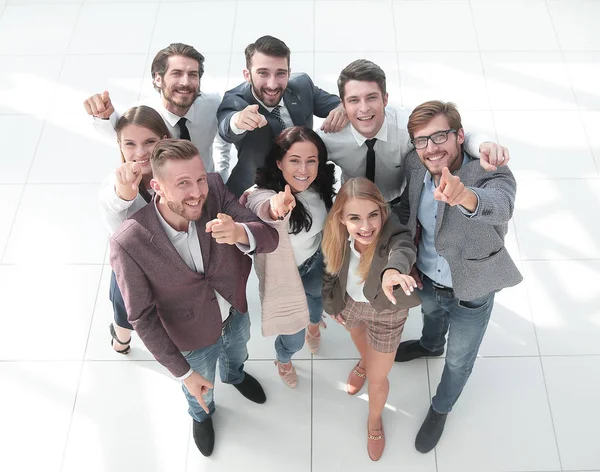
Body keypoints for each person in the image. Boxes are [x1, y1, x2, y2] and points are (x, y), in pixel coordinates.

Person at [110, 139, 279, 457]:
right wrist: (184, 375)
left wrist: (241, 232)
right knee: (199, 389)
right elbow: (142, 317)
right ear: (157, 186)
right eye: (183, 183)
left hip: (234, 309)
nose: (197, 192)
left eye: (199, 178)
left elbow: (269, 237)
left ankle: (235, 375)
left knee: (237, 351)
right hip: (190, 336)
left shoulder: (214, 189)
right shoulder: (128, 241)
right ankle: (202, 415)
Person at [393, 100, 522, 454]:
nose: (431, 148)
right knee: (432, 316)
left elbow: (501, 204)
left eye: (440, 137)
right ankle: (429, 345)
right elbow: (407, 206)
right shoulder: (414, 164)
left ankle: (441, 407)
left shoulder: (491, 171)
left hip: (472, 288)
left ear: (460, 136)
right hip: (429, 276)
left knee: (459, 359)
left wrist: (464, 195)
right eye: (422, 140)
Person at [321, 177, 421, 461]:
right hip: (351, 303)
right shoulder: (335, 238)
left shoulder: (395, 234)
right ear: (341, 218)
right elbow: (328, 273)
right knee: (355, 333)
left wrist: (392, 272)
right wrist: (331, 305)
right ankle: (364, 361)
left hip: (387, 310)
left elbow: (403, 251)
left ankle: (374, 420)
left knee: (378, 380)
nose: (365, 227)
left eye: (373, 215)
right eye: (355, 218)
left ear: (382, 212)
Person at [318, 59, 511, 205]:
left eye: (371, 98)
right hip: (352, 205)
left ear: (385, 99)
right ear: (342, 104)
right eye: (353, 100)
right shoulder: (332, 134)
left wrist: (482, 145)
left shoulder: (406, 125)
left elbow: (453, 134)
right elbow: (300, 151)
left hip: (400, 203)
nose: (364, 108)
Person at [244, 126, 335, 387]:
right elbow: (263, 207)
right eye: (294, 161)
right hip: (284, 278)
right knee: (293, 339)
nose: (303, 170)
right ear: (279, 162)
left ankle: (315, 326)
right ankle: (283, 359)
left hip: (314, 262)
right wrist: (276, 209)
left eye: (311, 161)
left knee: (316, 304)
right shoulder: (262, 194)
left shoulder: (319, 186)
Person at [217, 35, 347, 197]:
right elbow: (226, 125)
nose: (272, 84)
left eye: (280, 73)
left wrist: (343, 108)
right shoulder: (236, 100)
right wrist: (238, 121)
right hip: (254, 192)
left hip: (304, 184)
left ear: (289, 73)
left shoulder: (302, 85)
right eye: (263, 73)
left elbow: (341, 104)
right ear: (247, 75)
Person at [83, 43, 230, 178]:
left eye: (192, 74)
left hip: (206, 185)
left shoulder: (213, 104)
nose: (185, 82)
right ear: (158, 79)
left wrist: (221, 175)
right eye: (176, 73)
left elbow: (223, 140)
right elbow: (117, 129)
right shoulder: (143, 113)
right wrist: (103, 115)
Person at [98, 105, 171, 354]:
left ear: (164, 140)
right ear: (119, 144)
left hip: (167, 264)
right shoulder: (114, 183)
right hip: (131, 269)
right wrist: (125, 190)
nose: (140, 152)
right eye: (130, 144)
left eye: (149, 141)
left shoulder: (173, 174)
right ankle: (121, 339)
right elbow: (115, 200)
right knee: (125, 312)